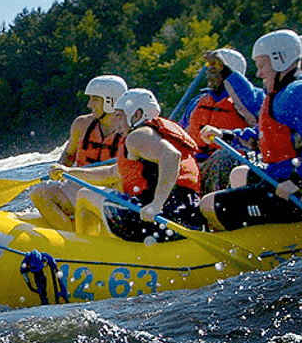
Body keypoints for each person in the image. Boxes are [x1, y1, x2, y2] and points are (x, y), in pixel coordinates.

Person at [198, 29, 302, 231]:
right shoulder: (285, 92)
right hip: (287, 179)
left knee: (208, 205)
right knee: (240, 174)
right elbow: (266, 136)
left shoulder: (298, 92)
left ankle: (246, 242)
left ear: (280, 61)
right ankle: (254, 230)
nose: (258, 74)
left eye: (261, 66)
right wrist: (227, 135)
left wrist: (298, 180)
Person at [52, 88, 204, 242]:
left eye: (119, 117)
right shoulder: (153, 135)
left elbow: (171, 156)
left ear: (137, 115)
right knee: (89, 193)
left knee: (84, 196)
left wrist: (156, 204)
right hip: (186, 215)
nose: (116, 125)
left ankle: (86, 250)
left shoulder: (138, 135)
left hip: (161, 217)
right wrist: (68, 172)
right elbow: (111, 173)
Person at [30, 75, 128, 230]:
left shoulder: (130, 131)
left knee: (95, 193)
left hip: (111, 194)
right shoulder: (81, 124)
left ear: (111, 101)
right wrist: (59, 168)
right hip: (78, 187)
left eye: (95, 99)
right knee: (39, 193)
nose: (90, 104)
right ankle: (72, 238)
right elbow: (68, 156)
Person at [179, 47, 264, 192]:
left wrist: (230, 76)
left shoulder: (250, 99)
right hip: (194, 166)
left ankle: (212, 205)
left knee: (223, 156)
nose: (208, 74)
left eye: (213, 70)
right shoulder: (197, 102)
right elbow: (180, 132)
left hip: (229, 166)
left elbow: (252, 104)